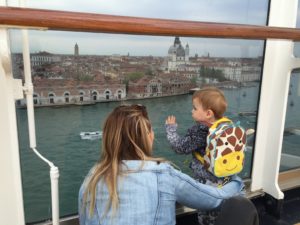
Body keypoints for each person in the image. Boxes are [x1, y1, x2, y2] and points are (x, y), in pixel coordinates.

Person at [78, 104, 244, 225]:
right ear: (148, 137)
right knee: (245, 209)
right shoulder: (162, 175)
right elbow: (214, 200)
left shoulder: (91, 179)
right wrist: (235, 180)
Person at [165, 86, 241, 225]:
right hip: (226, 179)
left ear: (208, 114)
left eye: (194, 108)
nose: (191, 111)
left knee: (207, 216)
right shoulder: (227, 126)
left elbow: (180, 147)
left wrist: (171, 130)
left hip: (207, 183)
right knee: (224, 213)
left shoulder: (199, 131)